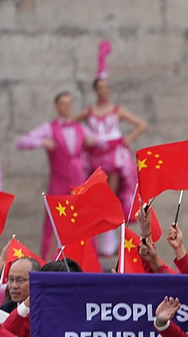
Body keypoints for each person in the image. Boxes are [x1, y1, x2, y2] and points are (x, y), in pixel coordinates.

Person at [76, 40, 148, 254]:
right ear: (95, 90)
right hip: (94, 158)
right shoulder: (88, 111)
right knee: (97, 196)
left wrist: (127, 139)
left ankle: (111, 239)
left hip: (113, 158)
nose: (103, 91)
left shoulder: (116, 110)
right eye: (100, 88)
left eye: (106, 88)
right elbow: (72, 125)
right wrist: (84, 139)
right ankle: (100, 238)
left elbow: (142, 124)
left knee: (112, 196)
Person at [15, 92, 94, 257]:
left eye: (69, 103)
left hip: (78, 182)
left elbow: (99, 141)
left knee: (85, 221)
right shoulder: (49, 128)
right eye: (63, 104)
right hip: (58, 181)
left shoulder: (81, 128)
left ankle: (88, 262)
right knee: (52, 223)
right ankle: (47, 262)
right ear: (57, 106)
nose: (67, 107)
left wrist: (93, 141)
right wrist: (42, 142)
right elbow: (21, 142)